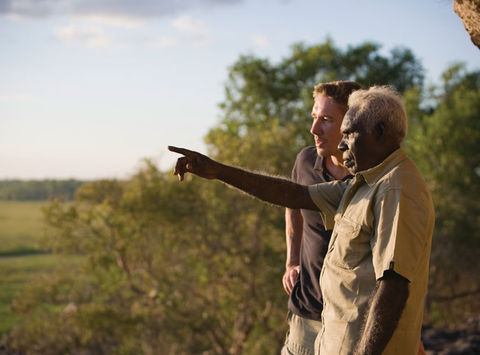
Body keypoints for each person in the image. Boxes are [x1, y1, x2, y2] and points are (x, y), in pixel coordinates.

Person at [168, 85, 434, 354]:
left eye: (350, 134)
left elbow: (394, 287)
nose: (341, 145)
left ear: (379, 132)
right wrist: (217, 170)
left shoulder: (396, 188)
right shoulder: (366, 181)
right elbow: (296, 195)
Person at [281, 81, 361, 355]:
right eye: (314, 117)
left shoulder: (373, 178)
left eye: (326, 120)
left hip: (350, 323)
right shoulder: (304, 161)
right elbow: (292, 206)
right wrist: (291, 261)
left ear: (351, 123)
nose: (314, 129)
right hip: (306, 312)